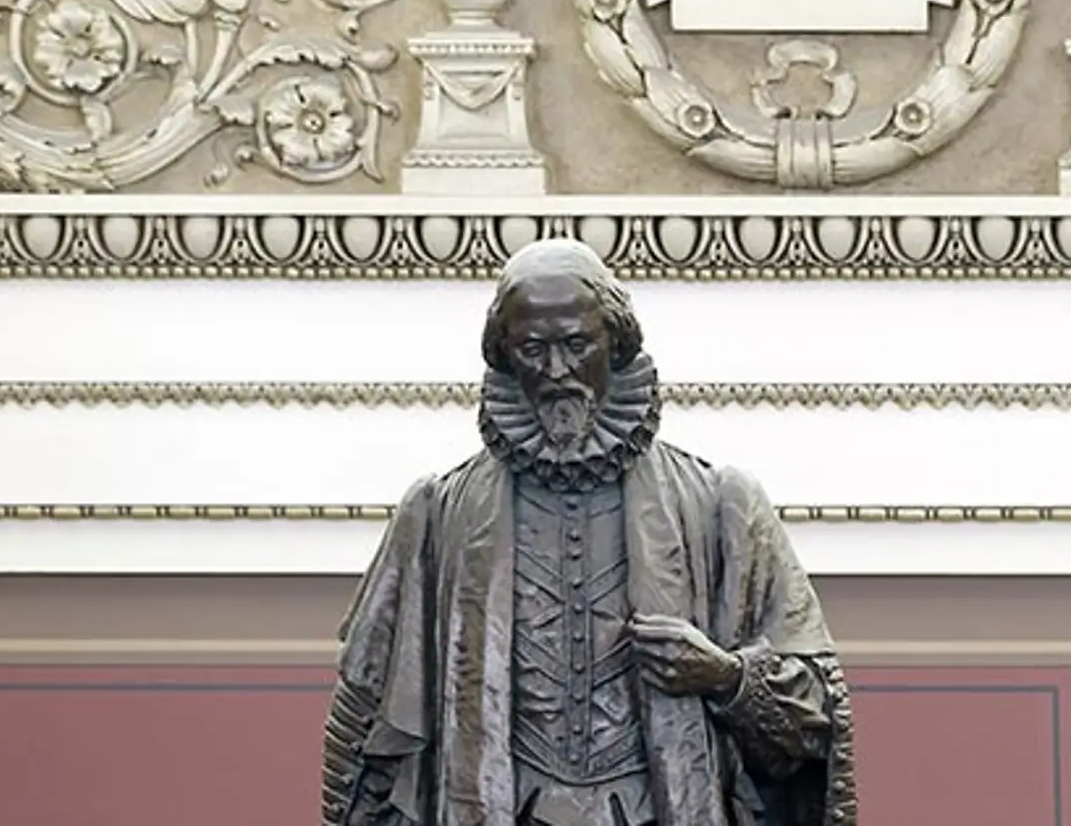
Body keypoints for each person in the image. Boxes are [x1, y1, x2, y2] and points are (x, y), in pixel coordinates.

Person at [321, 238, 857, 826]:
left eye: (577, 345)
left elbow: (813, 714)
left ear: (617, 343)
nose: (556, 372)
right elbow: (366, 726)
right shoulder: (434, 514)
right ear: (503, 356)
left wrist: (726, 676)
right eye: (532, 349)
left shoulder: (721, 506)